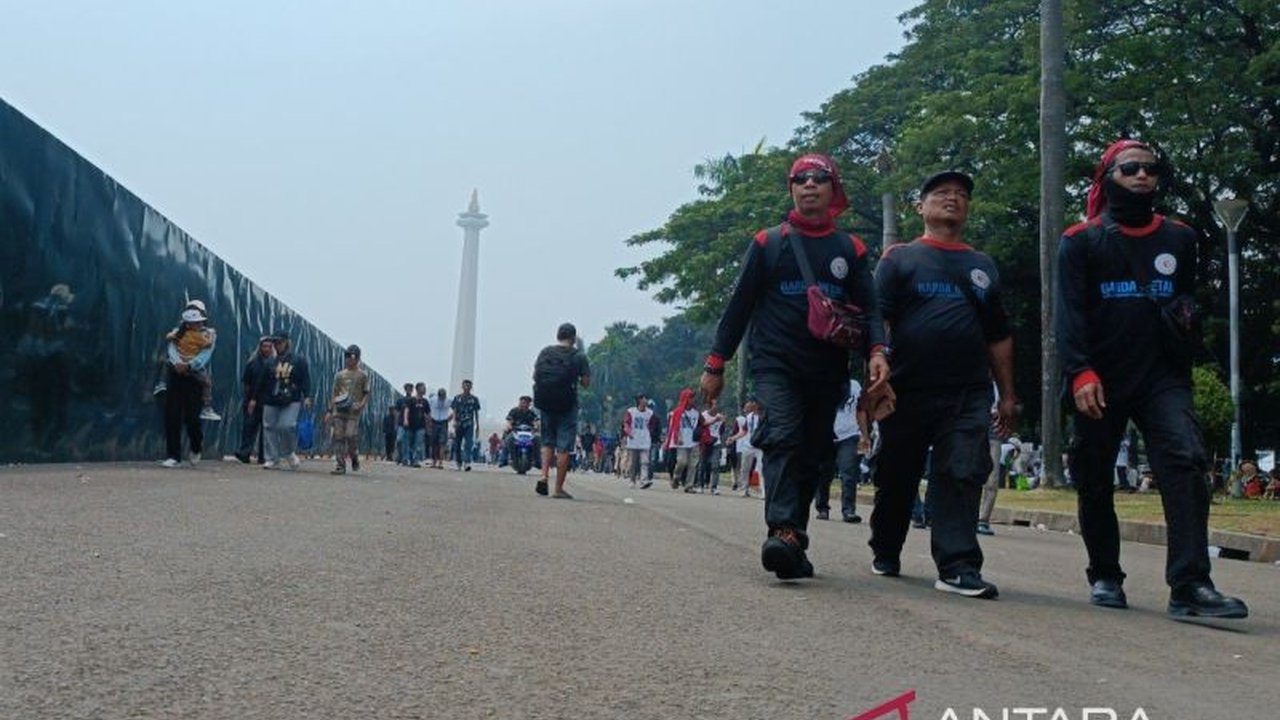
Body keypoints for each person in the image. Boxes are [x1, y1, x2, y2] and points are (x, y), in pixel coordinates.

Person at [1057, 138, 1247, 619]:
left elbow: (1183, 301)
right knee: (1094, 476)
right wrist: (1080, 371)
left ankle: (1190, 584)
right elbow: (1070, 315)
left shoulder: (1181, 238)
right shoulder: (1080, 240)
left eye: (1150, 169)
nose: (1142, 176)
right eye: (1130, 168)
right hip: (1100, 376)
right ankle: (1105, 573)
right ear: (1108, 178)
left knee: (1185, 462)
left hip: (1163, 375)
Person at [701, 153, 889, 581]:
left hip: (827, 371)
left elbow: (871, 308)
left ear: (833, 189)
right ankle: (782, 529)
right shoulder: (769, 243)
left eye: (819, 178)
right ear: (792, 189)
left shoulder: (850, 249)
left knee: (813, 454)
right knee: (783, 436)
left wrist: (877, 352)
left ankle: (794, 540)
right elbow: (739, 307)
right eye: (799, 179)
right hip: (775, 366)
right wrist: (716, 363)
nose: (808, 184)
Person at [868, 170, 1015, 600]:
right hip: (908, 388)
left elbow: (998, 335)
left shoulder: (981, 265)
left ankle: (958, 566)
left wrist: (1007, 393)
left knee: (962, 471)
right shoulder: (898, 259)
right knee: (897, 475)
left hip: (967, 392)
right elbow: (877, 321)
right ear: (921, 207)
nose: (952, 199)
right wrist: (875, 373)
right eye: (941, 193)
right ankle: (886, 545)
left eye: (961, 195)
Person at [532, 322, 591, 498]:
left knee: (547, 442)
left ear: (558, 335)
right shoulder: (579, 356)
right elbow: (586, 384)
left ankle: (543, 475)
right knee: (564, 447)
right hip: (567, 405)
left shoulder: (545, 352)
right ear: (573, 338)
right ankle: (558, 488)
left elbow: (535, 376)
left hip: (546, 402)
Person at [159, 303, 219, 467]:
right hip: (176, 375)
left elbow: (206, 354)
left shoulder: (209, 334)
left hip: (194, 378)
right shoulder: (177, 331)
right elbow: (171, 348)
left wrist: (190, 365)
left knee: (192, 418)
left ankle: (196, 445)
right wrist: (178, 363)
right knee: (172, 415)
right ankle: (174, 456)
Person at [252, 330, 311, 470]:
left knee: (287, 425)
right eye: (275, 342)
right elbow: (261, 381)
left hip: (292, 399)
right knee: (268, 427)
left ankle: (289, 452)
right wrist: (254, 398)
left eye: (280, 342)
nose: (277, 345)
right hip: (271, 399)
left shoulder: (298, 360)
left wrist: (307, 396)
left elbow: (305, 379)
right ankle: (272, 459)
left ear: (287, 343)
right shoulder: (270, 362)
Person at [820, 379, 864, 523]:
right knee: (824, 473)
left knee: (849, 473)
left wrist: (864, 433)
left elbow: (861, 409)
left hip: (849, 434)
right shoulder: (824, 381)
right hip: (826, 433)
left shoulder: (855, 385)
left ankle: (849, 510)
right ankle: (822, 508)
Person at [329, 344, 369, 475]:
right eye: (347, 357)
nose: (350, 360)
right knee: (338, 436)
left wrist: (361, 405)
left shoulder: (362, 375)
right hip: (339, 410)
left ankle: (354, 456)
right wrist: (330, 410)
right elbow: (334, 393)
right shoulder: (339, 375)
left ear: (357, 358)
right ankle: (340, 464)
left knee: (350, 435)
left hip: (353, 412)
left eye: (353, 357)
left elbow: (366, 393)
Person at [236, 336, 275, 464]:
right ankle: (244, 453)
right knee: (249, 427)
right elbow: (246, 382)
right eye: (264, 346)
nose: (267, 349)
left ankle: (263, 456)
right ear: (260, 347)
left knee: (266, 430)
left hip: (268, 401)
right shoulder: (252, 363)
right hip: (252, 400)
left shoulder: (275, 364)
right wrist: (249, 399)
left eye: (269, 346)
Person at [666, 389, 702, 491]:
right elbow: (674, 427)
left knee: (693, 464)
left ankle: (689, 485)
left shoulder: (696, 413)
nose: (693, 400)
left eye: (693, 397)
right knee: (682, 462)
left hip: (694, 442)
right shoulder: (677, 412)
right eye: (691, 397)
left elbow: (702, 424)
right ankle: (676, 476)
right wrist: (677, 437)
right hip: (682, 442)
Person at [727, 399, 762, 498]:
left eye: (751, 404)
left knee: (761, 469)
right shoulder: (749, 417)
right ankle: (744, 489)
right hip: (748, 445)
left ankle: (763, 491)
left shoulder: (762, 415)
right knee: (744, 469)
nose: (749, 406)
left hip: (760, 446)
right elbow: (744, 431)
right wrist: (733, 438)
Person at [622, 394, 655, 489]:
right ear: (639, 401)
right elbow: (626, 423)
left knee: (645, 461)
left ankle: (644, 480)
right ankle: (632, 480)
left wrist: (651, 433)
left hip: (645, 440)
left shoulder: (650, 413)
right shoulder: (631, 412)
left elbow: (652, 425)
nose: (646, 401)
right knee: (633, 462)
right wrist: (628, 431)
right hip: (633, 440)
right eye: (644, 399)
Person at [695, 397, 726, 494]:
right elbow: (702, 425)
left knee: (715, 465)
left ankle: (714, 487)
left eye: (717, 404)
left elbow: (721, 431)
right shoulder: (703, 415)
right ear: (710, 406)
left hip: (716, 442)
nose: (716, 407)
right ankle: (700, 485)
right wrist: (715, 420)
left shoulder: (720, 416)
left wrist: (723, 422)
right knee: (703, 464)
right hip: (705, 442)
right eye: (714, 404)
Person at [450, 380, 481, 471]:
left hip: (469, 424)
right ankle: (458, 462)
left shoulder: (474, 399)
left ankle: (467, 462)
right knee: (457, 444)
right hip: (459, 423)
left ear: (471, 387)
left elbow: (476, 412)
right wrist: (454, 421)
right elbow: (454, 410)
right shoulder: (457, 398)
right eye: (465, 385)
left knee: (468, 443)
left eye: (468, 386)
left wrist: (477, 425)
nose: (467, 387)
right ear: (462, 386)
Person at [504, 394, 540, 462]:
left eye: (527, 403)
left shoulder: (531, 413)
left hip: (528, 433)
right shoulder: (514, 411)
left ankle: (537, 460)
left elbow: (536, 421)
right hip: (515, 432)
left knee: (538, 439)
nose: (524, 405)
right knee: (507, 439)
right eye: (522, 402)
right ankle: (503, 459)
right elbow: (509, 420)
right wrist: (509, 426)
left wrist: (536, 426)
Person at [404, 382, 429, 467]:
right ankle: (410, 459)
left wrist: (429, 424)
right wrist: (406, 420)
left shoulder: (425, 402)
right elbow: (406, 410)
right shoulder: (411, 400)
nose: (425, 389)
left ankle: (416, 460)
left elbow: (428, 414)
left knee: (418, 443)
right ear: (418, 389)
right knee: (410, 443)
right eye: (423, 388)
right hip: (411, 425)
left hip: (421, 426)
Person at [428, 387, 450, 468]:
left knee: (442, 443)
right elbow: (427, 410)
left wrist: (449, 418)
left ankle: (440, 462)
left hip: (444, 422)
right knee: (434, 443)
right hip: (434, 421)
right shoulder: (432, 400)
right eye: (441, 397)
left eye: (443, 397)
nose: (442, 399)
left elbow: (455, 409)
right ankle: (434, 461)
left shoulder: (448, 400)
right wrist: (429, 420)